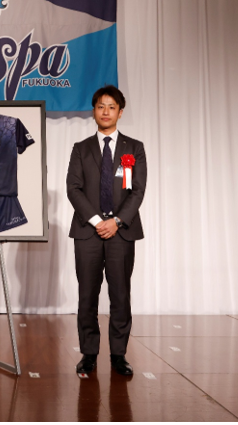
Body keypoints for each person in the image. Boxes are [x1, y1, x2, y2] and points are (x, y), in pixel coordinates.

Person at [66, 85, 146, 375]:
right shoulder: (81, 148)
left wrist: (117, 221)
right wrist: (96, 221)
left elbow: (137, 190)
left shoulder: (134, 148)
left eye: (112, 107)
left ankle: (118, 355)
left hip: (121, 232)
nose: (106, 111)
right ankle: (88, 354)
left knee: (120, 295)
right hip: (88, 232)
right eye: (101, 106)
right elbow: (73, 188)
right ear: (94, 111)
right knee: (87, 295)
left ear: (120, 112)